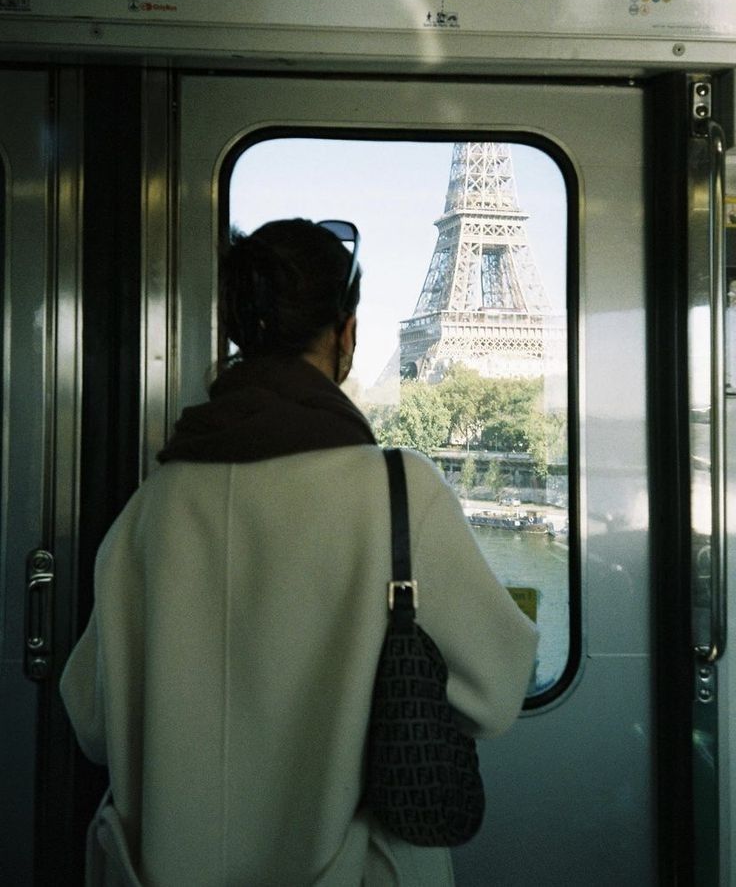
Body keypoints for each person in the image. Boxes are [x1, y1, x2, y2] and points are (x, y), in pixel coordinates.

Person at [61, 218, 538, 886]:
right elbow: (496, 692)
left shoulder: (154, 506)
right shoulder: (401, 493)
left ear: (239, 335)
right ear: (347, 334)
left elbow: (91, 718)